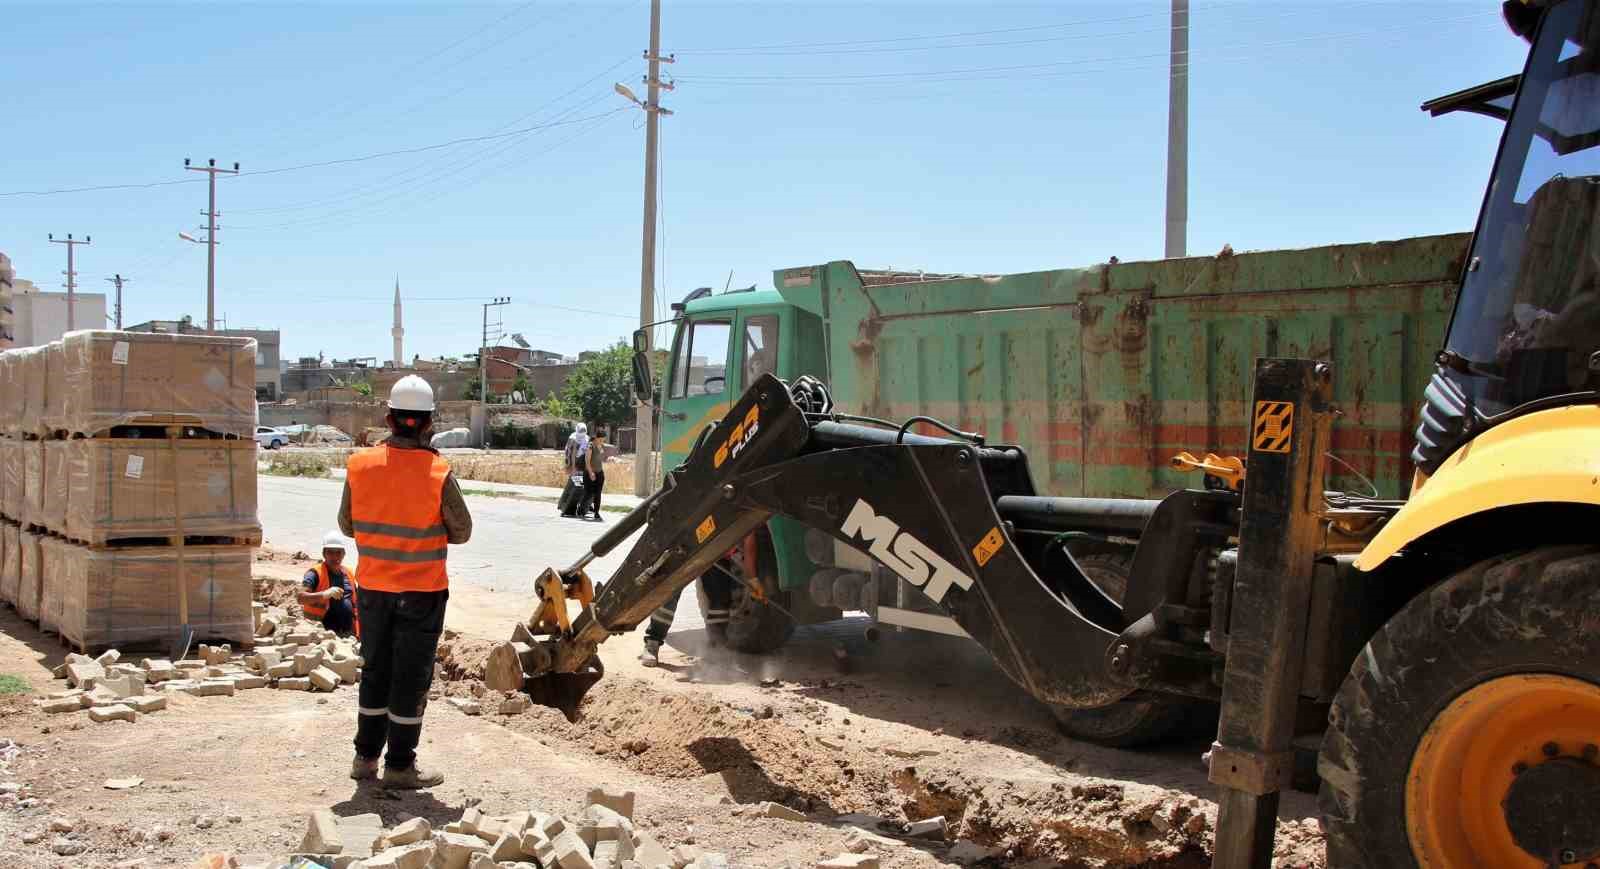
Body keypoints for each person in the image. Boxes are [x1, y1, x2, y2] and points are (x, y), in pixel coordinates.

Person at [338, 374, 472, 789]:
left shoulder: (360, 465)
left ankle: (365, 759)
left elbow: (346, 524)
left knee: (376, 670)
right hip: (422, 591)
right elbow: (462, 530)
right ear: (428, 422)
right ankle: (399, 765)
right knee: (410, 677)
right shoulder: (437, 471)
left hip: (374, 589)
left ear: (390, 418)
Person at [300, 531, 358, 637]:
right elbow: (301, 597)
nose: (335, 556)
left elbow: (356, 604)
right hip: (321, 633)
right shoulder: (315, 573)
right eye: (330, 552)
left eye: (338, 552)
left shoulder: (349, 573)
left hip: (348, 634)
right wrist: (325, 594)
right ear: (324, 554)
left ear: (344, 554)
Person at [559, 423, 589, 518]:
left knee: (582, 485)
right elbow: (571, 454)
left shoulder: (586, 439)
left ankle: (581, 505)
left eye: (583, 431)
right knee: (574, 484)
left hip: (582, 463)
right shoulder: (573, 438)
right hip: (574, 463)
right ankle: (565, 505)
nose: (582, 433)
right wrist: (572, 466)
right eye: (580, 431)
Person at [582, 431, 607, 520]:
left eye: (603, 440)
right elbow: (587, 461)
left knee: (598, 493)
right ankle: (582, 509)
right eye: (600, 440)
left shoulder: (600, 446)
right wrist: (590, 472)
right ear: (596, 438)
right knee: (588, 493)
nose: (602, 442)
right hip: (590, 473)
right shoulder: (590, 446)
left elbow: (602, 457)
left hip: (599, 473)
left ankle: (596, 512)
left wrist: (602, 451)